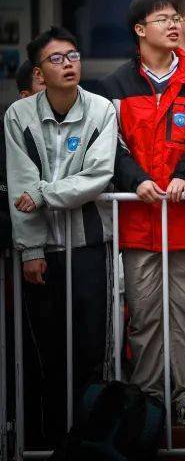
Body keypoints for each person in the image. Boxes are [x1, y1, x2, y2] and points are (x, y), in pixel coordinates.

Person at [99, 0, 185, 425]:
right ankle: (147, 399)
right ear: (139, 30)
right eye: (162, 19)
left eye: (174, 18)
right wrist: (136, 180)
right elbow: (112, 147)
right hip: (138, 218)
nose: (172, 25)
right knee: (144, 315)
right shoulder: (115, 86)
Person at [4, 27, 117, 444]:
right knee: (47, 352)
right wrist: (31, 248)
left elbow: (98, 175)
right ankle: (47, 441)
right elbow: (19, 184)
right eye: (57, 58)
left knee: (91, 349)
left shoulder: (102, 108)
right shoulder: (19, 116)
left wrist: (44, 193)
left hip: (90, 245)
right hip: (42, 253)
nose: (69, 63)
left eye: (73, 55)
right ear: (39, 71)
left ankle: (90, 442)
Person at [1, 60, 45, 254]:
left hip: (74, 242)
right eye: (43, 83)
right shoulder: (12, 132)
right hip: (26, 249)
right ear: (25, 97)